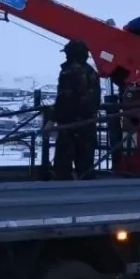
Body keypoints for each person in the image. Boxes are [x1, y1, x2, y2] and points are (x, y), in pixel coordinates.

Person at [48, 39, 101, 180]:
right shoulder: (92, 72)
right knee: (85, 167)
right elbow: (96, 101)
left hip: (70, 126)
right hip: (88, 125)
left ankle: (63, 197)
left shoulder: (68, 72)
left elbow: (64, 99)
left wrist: (51, 119)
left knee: (62, 168)